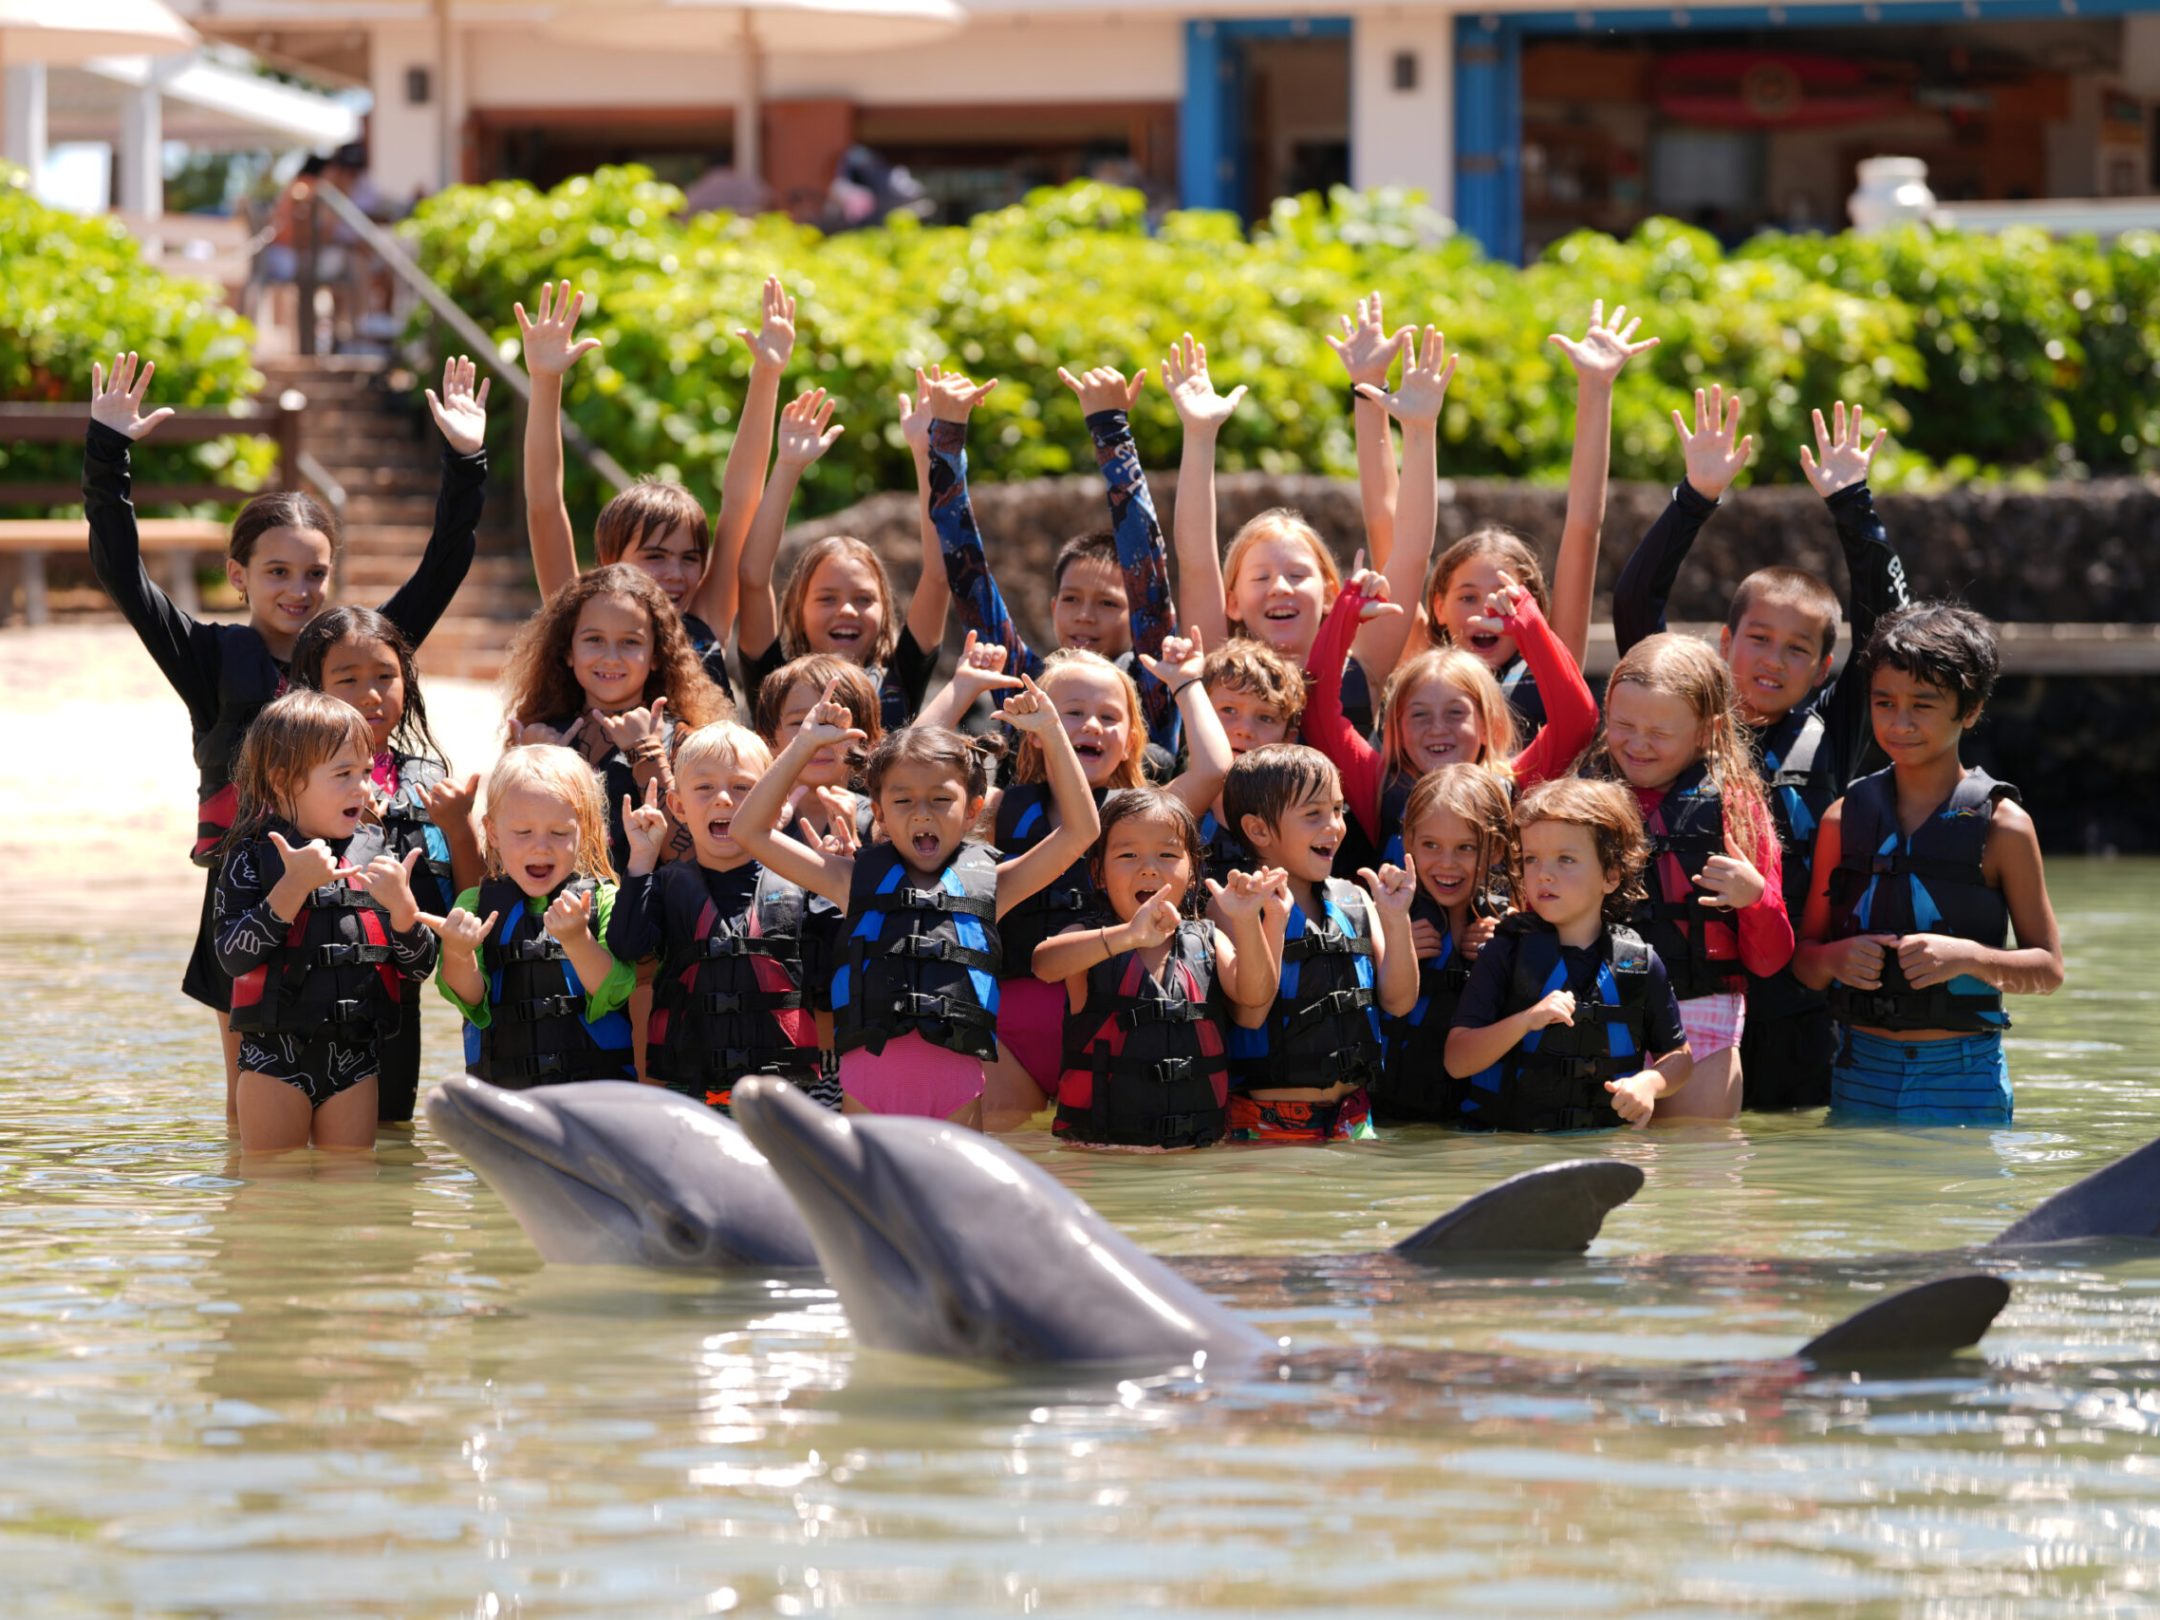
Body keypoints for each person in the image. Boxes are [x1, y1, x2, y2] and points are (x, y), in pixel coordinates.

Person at [86, 349, 488, 1132]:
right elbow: (122, 574)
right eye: (277, 573)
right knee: (253, 1120)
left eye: (315, 574)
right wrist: (109, 452)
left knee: (373, 1121)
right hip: (250, 898)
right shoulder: (212, 661)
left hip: (358, 898)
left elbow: (443, 567)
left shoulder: (354, 656)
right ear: (239, 577)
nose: (298, 591)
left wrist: (465, 460)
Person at [1612, 392, 1910, 1110]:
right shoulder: (1678, 714)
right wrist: (1695, 498)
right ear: (1724, 642)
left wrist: (1853, 505)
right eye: (1759, 640)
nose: (1773, 661)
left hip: (1793, 1007)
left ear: (1825, 667)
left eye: (1797, 649)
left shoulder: (1837, 731)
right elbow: (1634, 609)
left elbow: (1890, 625)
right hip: (1682, 995)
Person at [729, 683, 1100, 1128]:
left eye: (941, 800)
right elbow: (749, 831)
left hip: (957, 1093)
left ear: (973, 809)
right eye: (902, 801)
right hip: (868, 1090)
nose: (922, 813)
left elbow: (1081, 831)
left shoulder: (995, 886)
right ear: (879, 814)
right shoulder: (851, 881)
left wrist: (1053, 732)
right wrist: (804, 744)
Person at [1792, 603, 2063, 1125]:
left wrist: (1966, 957)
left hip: (1964, 1077)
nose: (1900, 722)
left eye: (1923, 704)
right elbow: (1805, 959)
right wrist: (1835, 959)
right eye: (1884, 702)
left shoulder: (2005, 828)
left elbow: (2048, 970)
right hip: (1859, 1071)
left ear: (1971, 710)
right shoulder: (1841, 819)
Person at [965, 643, 1231, 1126]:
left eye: (1110, 717)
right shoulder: (999, 808)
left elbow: (1213, 769)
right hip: (1010, 1029)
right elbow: (912, 786)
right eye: (1072, 712)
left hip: (1113, 1021)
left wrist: (1188, 684)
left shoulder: (1145, 813)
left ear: (1131, 740)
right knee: (1013, 1163)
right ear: (1036, 732)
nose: (1091, 725)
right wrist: (963, 689)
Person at [517, 276, 797, 698]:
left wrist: (767, 375)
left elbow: (741, 504)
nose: (675, 574)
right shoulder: (577, 617)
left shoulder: (705, 620)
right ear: (611, 560)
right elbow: (544, 504)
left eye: (689, 558)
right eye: (655, 556)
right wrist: (544, 381)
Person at [1166, 330, 1451, 735]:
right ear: (1231, 602)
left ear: (1332, 593)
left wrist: (1421, 431)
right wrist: (1198, 435)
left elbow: (1410, 552)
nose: (1280, 587)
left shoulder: (1363, 666)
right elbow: (1195, 560)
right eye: (1260, 577)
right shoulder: (1216, 663)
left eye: (1297, 575)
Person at [1411, 302, 1661, 735]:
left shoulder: (1549, 668)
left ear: (1534, 610)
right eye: (1468, 597)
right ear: (1438, 606)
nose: (1486, 611)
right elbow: (1399, 540)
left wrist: (1596, 387)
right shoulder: (1418, 661)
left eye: (1505, 598)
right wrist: (1396, 411)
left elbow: (1585, 527)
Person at [213, 691, 437, 1152]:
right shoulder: (250, 859)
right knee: (272, 1189)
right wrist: (292, 888)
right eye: (342, 775)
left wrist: (402, 911)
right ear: (283, 784)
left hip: (355, 1064)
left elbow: (419, 968)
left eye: (365, 772)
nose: (363, 788)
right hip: (273, 1061)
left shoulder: (378, 858)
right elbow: (232, 958)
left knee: (352, 1194)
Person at [1582, 633, 1790, 1120]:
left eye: (1659, 733)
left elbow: (1771, 960)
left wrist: (1754, 899)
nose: (1636, 744)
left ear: (1705, 731)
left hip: (1701, 1020)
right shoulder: (1587, 793)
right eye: (1623, 724)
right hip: (1604, 1007)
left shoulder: (1735, 807)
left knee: (1700, 1180)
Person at [926, 358, 1182, 751]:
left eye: (1108, 603)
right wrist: (945, 438)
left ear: (1138, 617)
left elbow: (1145, 560)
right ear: (1052, 606)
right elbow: (967, 576)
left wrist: (1111, 429)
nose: (1084, 614)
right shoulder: (1024, 681)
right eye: (1072, 599)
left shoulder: (1151, 678)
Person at [290, 605, 482, 1125]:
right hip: (300, 1003)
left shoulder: (427, 778)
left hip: (396, 999)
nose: (371, 694)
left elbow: (470, 900)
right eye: (347, 679)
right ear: (312, 687)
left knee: (390, 1134)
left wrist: (459, 825)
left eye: (385, 676)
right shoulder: (289, 777)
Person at [1302, 560, 1597, 872]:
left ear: (1487, 726)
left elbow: (1577, 720)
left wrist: (1528, 626)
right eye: (1419, 715)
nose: (1437, 728)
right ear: (1397, 729)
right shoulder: (1378, 785)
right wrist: (1346, 613)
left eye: (1456, 713)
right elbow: (1319, 714)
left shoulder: (1519, 783)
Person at [605, 724, 835, 1114]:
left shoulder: (801, 884)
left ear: (775, 806)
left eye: (743, 788)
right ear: (677, 807)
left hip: (788, 1096)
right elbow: (628, 945)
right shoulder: (663, 885)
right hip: (691, 1092)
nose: (724, 800)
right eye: (704, 788)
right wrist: (641, 861)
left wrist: (834, 884)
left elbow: (833, 978)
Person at [1444, 778, 1693, 1131]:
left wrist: (1649, 1083)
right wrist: (1527, 1020)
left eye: (1566, 859)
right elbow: (1457, 1059)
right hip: (1508, 1146)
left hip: (1602, 1145)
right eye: (1532, 859)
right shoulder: (1506, 951)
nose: (1544, 874)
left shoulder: (1639, 962)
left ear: (1610, 875)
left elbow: (1680, 1058)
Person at [1035, 788, 1277, 1150]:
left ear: (1192, 872)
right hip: (1101, 1154)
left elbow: (1255, 995)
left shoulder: (1209, 941)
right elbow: (1044, 964)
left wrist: (1245, 921)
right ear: (1098, 874)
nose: (1149, 867)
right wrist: (1128, 936)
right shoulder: (1089, 940)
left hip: (1194, 1153)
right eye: (1128, 855)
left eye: (1167, 854)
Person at [1216, 744, 1419, 1142]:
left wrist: (1396, 920)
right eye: (1313, 814)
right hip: (1267, 1120)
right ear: (1258, 830)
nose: (1335, 826)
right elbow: (1250, 1015)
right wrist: (1266, 920)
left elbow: (1399, 1001)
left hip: (1354, 1117)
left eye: (1338, 810)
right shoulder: (1234, 906)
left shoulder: (1354, 897)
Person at [735, 380, 952, 729]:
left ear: (885, 610)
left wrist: (927, 454)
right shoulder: (775, 676)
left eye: (864, 598)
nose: (847, 610)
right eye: (826, 598)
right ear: (797, 609)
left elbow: (939, 577)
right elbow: (752, 579)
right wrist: (788, 467)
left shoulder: (901, 675)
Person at [497, 564, 731, 878]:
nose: (611, 657)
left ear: (657, 655)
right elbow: (501, 852)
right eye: (594, 639)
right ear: (568, 652)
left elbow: (693, 857)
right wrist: (531, 767)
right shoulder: (542, 736)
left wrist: (646, 754)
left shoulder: (683, 741)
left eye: (630, 642)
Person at [427, 746, 638, 1088]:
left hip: (592, 1095)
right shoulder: (474, 904)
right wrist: (456, 951)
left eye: (558, 833)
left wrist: (577, 940)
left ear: (583, 830)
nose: (541, 847)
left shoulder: (604, 899)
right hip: (508, 1095)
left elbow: (612, 992)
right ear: (493, 832)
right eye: (523, 833)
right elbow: (469, 998)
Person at [1371, 765, 1515, 1126]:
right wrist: (1396, 945)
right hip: (1391, 1117)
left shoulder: (1510, 925)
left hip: (1476, 1124)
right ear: (1408, 841)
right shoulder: (1387, 915)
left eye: (1466, 847)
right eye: (1430, 845)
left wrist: (1507, 947)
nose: (1446, 864)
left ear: (1496, 849)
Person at [1194, 638, 1305, 882]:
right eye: (1228, 710)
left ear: (1288, 739)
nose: (1245, 730)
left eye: (1265, 718)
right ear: (1197, 715)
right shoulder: (1176, 805)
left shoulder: (1299, 820)